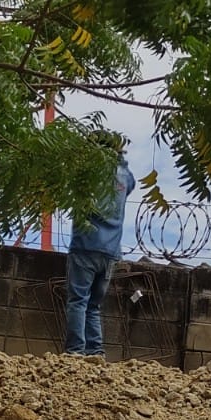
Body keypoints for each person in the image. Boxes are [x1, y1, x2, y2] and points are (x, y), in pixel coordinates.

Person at [64, 135, 134, 357]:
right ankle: (95, 352)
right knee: (93, 305)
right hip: (111, 251)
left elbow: (70, 183)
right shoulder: (126, 176)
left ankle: (75, 351)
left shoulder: (88, 172)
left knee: (78, 301)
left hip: (86, 245)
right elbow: (127, 189)